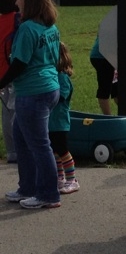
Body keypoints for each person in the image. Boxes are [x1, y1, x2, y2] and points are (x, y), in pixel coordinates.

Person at [1, 0, 61, 209]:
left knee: (39, 145)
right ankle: (27, 187)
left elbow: (19, 64)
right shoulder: (49, 26)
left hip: (33, 93)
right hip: (49, 88)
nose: (16, 2)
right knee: (21, 138)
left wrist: (1, 83)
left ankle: (48, 194)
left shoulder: (27, 28)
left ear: (28, 0)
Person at [50, 42, 79, 194]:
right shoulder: (55, 76)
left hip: (59, 121)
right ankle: (60, 177)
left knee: (62, 150)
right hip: (51, 121)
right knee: (54, 150)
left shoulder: (62, 77)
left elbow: (62, 96)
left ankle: (72, 179)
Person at [0, 0, 19, 163]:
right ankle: (21, 150)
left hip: (1, 73)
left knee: (6, 113)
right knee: (18, 111)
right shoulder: (17, 19)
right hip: (14, 71)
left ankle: (11, 152)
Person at [89, 36, 118, 115]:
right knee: (105, 89)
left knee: (116, 88)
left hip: (110, 57)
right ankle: (108, 118)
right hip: (102, 57)